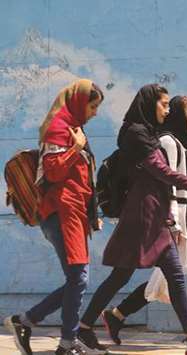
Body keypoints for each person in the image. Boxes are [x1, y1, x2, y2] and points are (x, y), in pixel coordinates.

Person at [76, 84, 187, 354]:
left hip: (155, 214)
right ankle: (84, 329)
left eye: (169, 106)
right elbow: (160, 171)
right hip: (142, 217)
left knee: (171, 277)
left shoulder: (146, 132)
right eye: (164, 105)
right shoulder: (136, 134)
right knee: (121, 277)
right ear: (149, 104)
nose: (167, 111)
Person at [3, 79, 104, 355]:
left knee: (77, 278)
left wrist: (92, 215)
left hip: (73, 213)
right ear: (79, 102)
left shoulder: (74, 128)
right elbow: (53, 172)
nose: (95, 112)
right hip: (61, 212)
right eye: (93, 106)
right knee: (79, 278)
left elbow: (82, 180)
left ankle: (28, 323)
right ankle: (63, 340)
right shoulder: (57, 129)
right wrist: (75, 148)